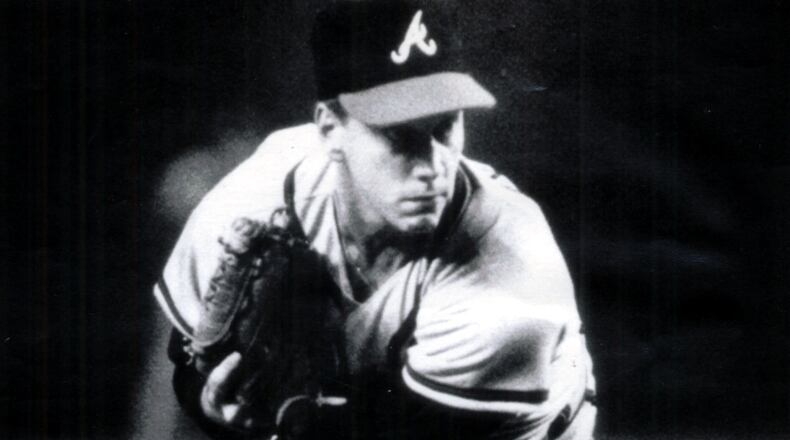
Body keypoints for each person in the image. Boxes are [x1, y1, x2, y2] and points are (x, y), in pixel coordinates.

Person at [154, 1, 597, 439]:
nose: (431, 166)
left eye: (443, 127)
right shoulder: (256, 195)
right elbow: (187, 364)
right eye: (399, 136)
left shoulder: (511, 258)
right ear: (329, 129)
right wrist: (216, 404)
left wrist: (285, 416)